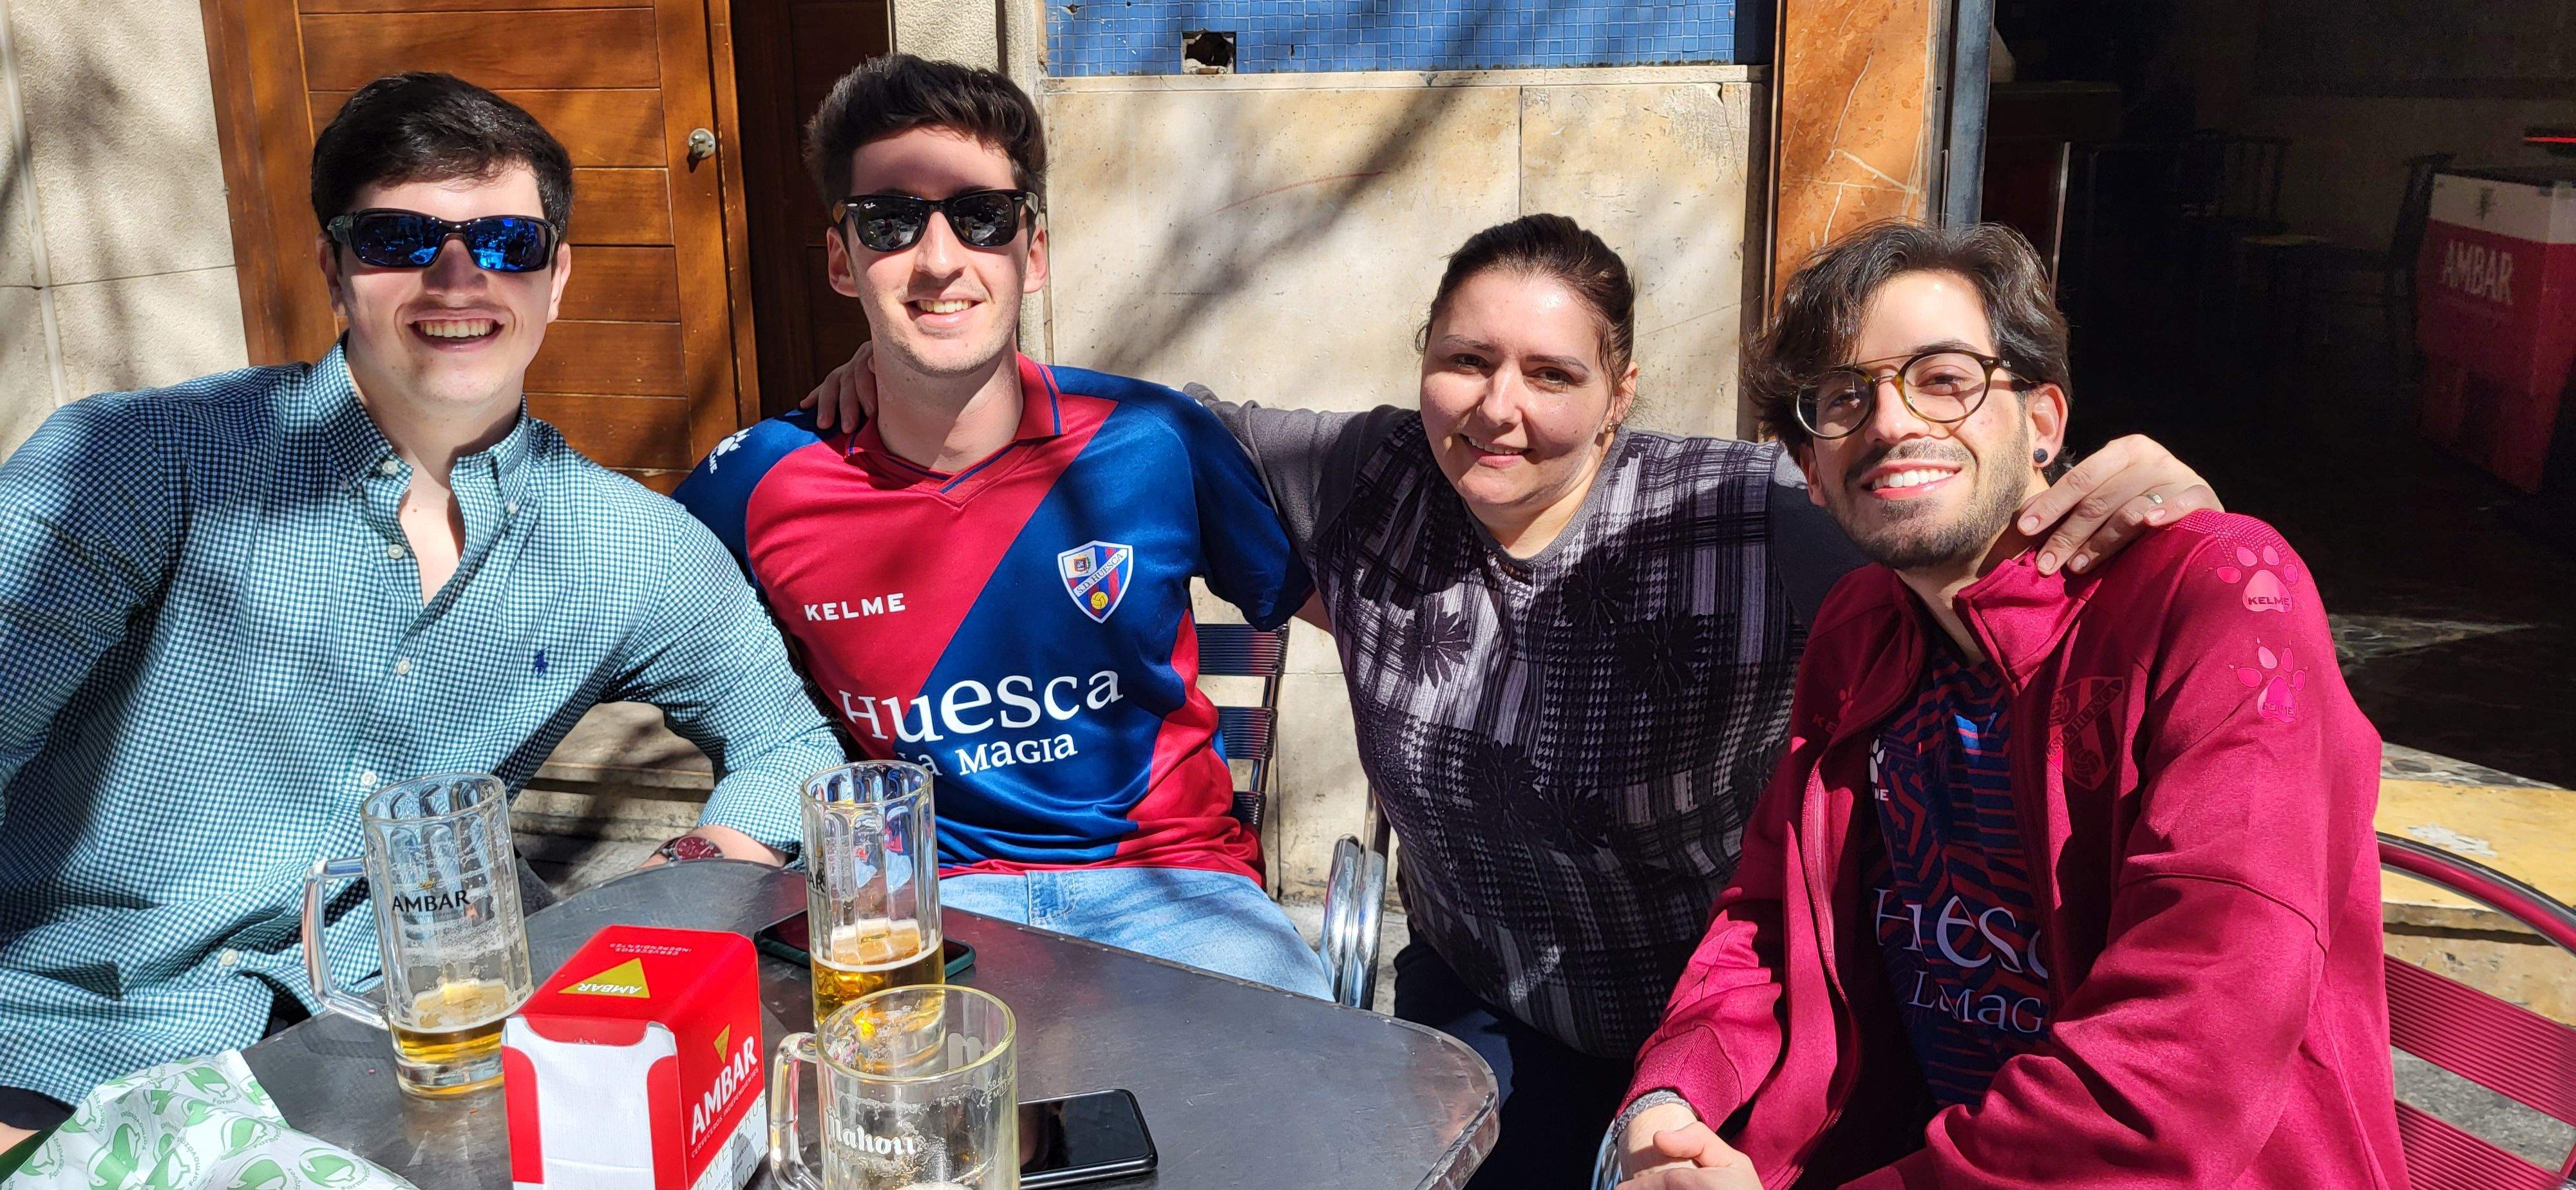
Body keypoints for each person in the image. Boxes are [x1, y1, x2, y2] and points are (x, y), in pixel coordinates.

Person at [809, 212, 2224, 1187]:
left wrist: (2155, 497)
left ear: (1617, 396)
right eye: (1464, 360)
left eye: (1552, 375)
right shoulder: (1364, 479)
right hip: (1486, 1004)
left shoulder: (1745, 515)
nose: (1497, 408)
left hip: (1730, 1028)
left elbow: (1949, 515)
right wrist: (909, 381)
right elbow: (1159, 419)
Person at [0, 74, 842, 1139]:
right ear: (334, 269)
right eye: (400, 239)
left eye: (505, 243)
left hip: (404, 1061)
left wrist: (677, 884)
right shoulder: (141, 466)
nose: (457, 277)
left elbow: (790, 745)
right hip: (68, 1045)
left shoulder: (629, 546)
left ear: (559, 277)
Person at [1611, 220, 2400, 1188]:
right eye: (1843, 398)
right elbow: (1774, 920)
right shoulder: (1864, 628)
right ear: (1811, 473)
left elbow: (2181, 1072)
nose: (1894, 422)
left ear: (2044, 421)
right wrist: (1665, 1107)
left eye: (1945, 378)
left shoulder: (2218, 596)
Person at [671, 55, 1331, 997]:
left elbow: (1361, 626)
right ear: (839, 258)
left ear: (1034, 249)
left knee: (1308, 1108)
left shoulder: (1153, 440)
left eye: (981, 219)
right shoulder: (761, 480)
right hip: (914, 910)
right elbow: (600, 608)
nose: (940, 259)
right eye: (891, 222)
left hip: (1176, 896)